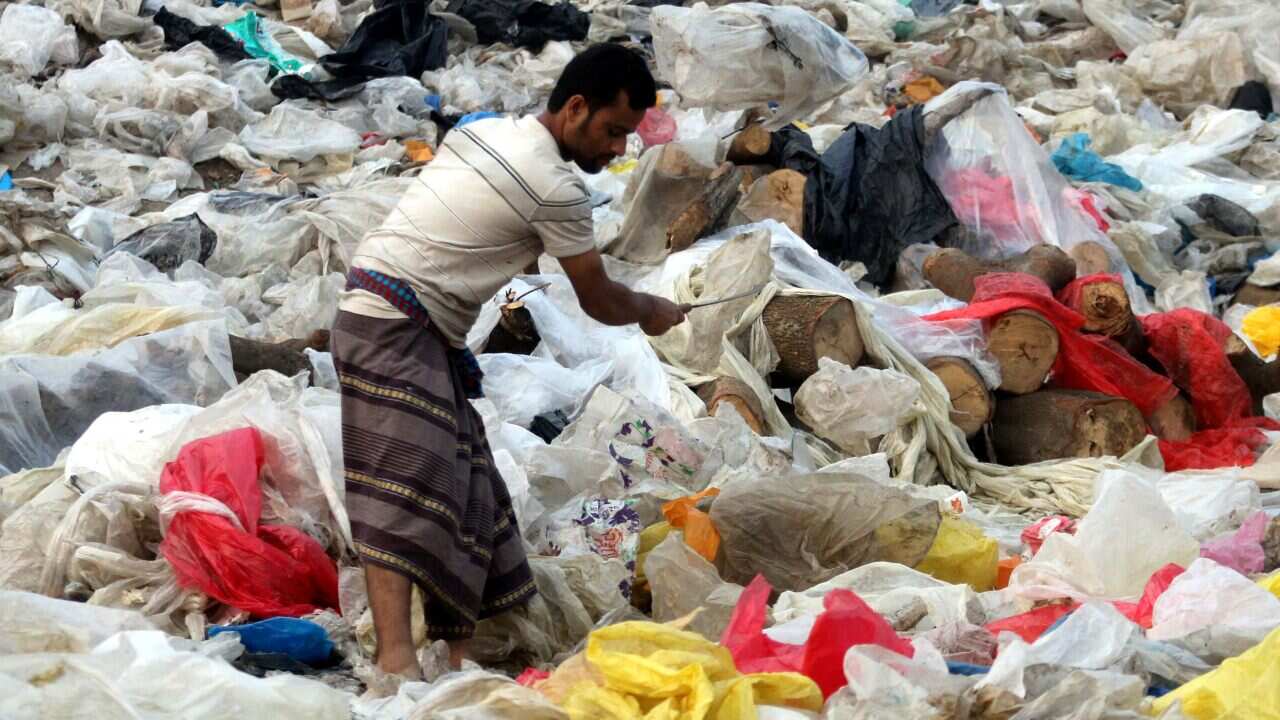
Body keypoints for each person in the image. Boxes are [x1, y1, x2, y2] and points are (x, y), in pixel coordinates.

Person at [329, 43, 685, 678]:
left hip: (402, 319)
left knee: (472, 490)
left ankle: (468, 652)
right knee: (402, 492)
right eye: (612, 132)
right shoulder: (554, 187)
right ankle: (396, 663)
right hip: (391, 324)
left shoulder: (487, 131)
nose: (617, 151)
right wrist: (651, 309)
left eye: (628, 137)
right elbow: (600, 301)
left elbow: (474, 224)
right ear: (575, 108)